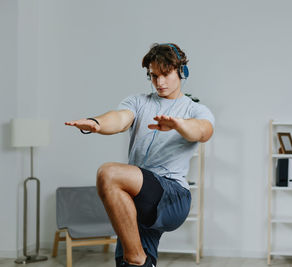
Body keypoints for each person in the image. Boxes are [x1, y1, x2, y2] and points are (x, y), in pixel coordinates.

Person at [65, 43, 215, 267]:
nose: (160, 82)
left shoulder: (194, 110)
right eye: (154, 76)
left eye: (165, 74)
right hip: (138, 198)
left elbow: (203, 131)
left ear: (181, 72)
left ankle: (136, 257)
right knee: (129, 263)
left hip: (172, 196)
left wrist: (178, 125)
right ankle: (139, 260)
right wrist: (96, 123)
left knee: (109, 174)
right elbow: (120, 118)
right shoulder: (138, 102)